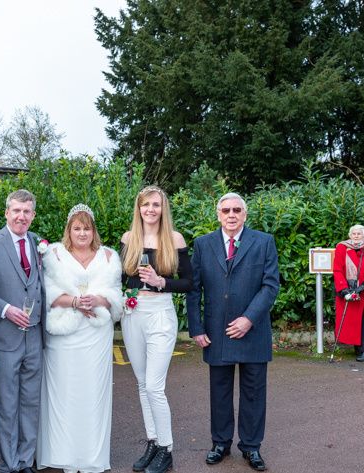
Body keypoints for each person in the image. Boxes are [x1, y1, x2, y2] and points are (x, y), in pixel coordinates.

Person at [187, 192, 279, 472]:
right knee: (220, 391)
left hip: (253, 330)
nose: (231, 215)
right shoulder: (203, 244)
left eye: (237, 210)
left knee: (253, 392)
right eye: (225, 210)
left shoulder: (264, 242)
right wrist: (196, 327)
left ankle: (251, 447)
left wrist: (249, 319)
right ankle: (220, 443)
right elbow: (194, 288)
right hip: (216, 331)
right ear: (218, 214)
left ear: (245, 214)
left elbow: (270, 285)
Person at [36, 204, 123, 473]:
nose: (82, 233)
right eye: (77, 228)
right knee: (63, 394)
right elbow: (47, 293)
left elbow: (116, 294)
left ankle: (91, 458)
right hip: (63, 335)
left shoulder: (109, 256)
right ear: (69, 230)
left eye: (86, 228)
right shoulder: (54, 255)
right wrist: (74, 301)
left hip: (96, 334)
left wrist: (100, 299)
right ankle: (62, 454)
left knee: (93, 394)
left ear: (93, 230)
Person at [120, 186, 192, 473]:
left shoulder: (174, 239)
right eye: (145, 205)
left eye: (156, 205)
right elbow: (120, 278)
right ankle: (152, 441)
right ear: (138, 209)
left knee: (154, 386)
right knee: (141, 384)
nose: (150, 209)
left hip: (160, 314)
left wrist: (162, 282)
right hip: (132, 313)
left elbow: (189, 282)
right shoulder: (129, 238)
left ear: (164, 209)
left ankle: (167, 448)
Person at [0, 189, 46, 473]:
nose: (21, 216)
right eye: (16, 211)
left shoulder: (39, 244)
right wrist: (6, 309)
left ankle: (25, 460)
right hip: (4, 337)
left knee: (31, 403)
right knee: (7, 405)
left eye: (27, 211)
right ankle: (9, 465)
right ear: (7, 212)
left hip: (35, 336)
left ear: (32, 215)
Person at [333, 224, 364, 362]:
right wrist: (343, 289)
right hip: (348, 288)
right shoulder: (342, 248)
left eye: (358, 234)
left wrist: (363, 286)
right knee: (353, 319)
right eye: (353, 233)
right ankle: (358, 347)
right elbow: (337, 269)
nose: (355, 236)